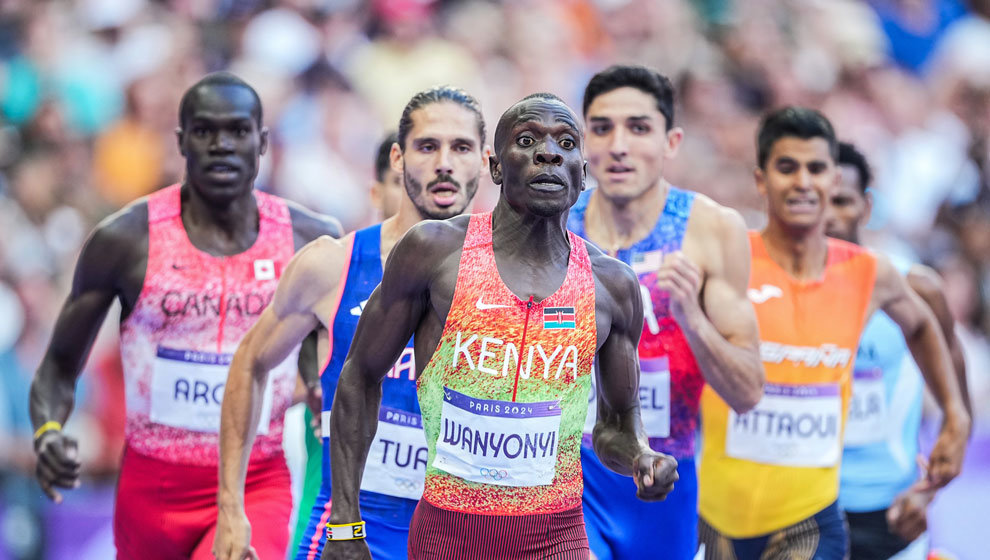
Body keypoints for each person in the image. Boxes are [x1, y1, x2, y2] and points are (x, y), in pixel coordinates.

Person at [322, 93, 679, 560]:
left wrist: (640, 458)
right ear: (495, 166)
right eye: (527, 140)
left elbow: (615, 428)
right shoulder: (434, 252)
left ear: (583, 173)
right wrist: (345, 529)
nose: (548, 153)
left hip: (556, 538)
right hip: (446, 538)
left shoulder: (612, 285)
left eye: (566, 143)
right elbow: (358, 378)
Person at [28, 72, 342, 559]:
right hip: (152, 491)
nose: (221, 145)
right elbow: (57, 369)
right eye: (204, 131)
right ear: (181, 141)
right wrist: (49, 432)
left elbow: (317, 348)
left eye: (237, 131)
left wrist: (318, 383)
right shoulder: (125, 240)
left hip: (256, 481)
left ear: (262, 142)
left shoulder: (309, 239)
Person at [213, 86, 490, 560]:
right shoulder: (334, 264)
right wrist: (230, 508)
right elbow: (249, 362)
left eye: (461, 148)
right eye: (428, 146)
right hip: (349, 531)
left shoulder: (509, 278)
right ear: (398, 159)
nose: (445, 163)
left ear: (484, 162)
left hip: (460, 537)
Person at [697, 107, 971, 560]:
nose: (805, 183)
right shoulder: (726, 261)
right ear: (761, 180)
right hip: (734, 511)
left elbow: (927, 329)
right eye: (787, 168)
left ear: (856, 197)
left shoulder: (880, 276)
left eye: (817, 170)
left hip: (855, 509)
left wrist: (956, 419)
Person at [568, 64, 764, 560]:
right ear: (582, 139)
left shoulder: (710, 229)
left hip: (665, 477)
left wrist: (692, 319)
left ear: (671, 141)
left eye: (638, 128)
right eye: (602, 127)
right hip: (569, 478)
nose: (618, 145)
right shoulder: (551, 226)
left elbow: (747, 392)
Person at [826, 141, 972, 560]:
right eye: (821, 200)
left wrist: (931, 490)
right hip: (803, 505)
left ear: (866, 206)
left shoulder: (917, 289)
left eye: (843, 200)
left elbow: (956, 408)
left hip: (890, 510)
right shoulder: (770, 294)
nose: (831, 215)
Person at [289, 128, 406, 556]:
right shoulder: (338, 265)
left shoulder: (462, 277)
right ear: (377, 191)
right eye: (399, 180)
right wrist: (310, 384)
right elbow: (277, 362)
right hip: (337, 497)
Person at [371, 131, 404, 220]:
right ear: (377, 194)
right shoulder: (357, 234)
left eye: (415, 182)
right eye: (399, 182)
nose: (410, 194)